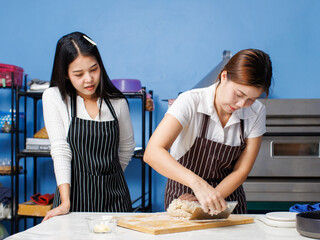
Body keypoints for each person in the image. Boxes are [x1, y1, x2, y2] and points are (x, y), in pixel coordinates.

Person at [144, 49, 272, 214]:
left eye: (251, 99)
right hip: (184, 197)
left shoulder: (256, 112)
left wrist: (209, 197)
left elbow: (241, 170)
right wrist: (198, 186)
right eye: (239, 94)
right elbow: (152, 152)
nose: (241, 104)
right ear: (223, 76)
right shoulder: (190, 101)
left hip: (227, 201)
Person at [42, 32, 135, 221]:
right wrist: (65, 202)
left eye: (94, 69)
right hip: (74, 197)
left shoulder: (117, 102)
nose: (89, 79)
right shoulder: (54, 97)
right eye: (78, 74)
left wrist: (109, 177)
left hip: (116, 198)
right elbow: (60, 150)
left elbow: (126, 149)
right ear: (66, 74)